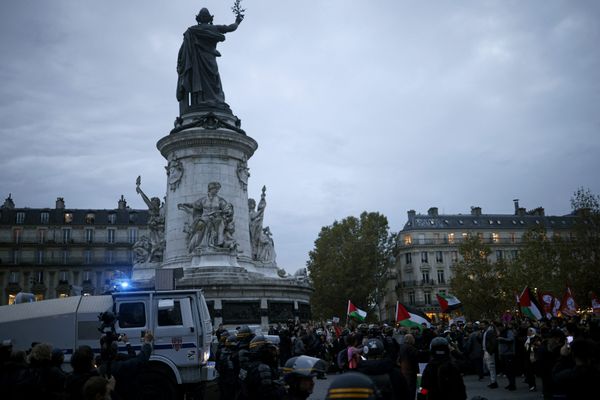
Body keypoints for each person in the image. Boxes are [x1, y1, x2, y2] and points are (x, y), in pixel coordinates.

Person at [176, 7, 243, 113]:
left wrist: (181, 63)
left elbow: (182, 51)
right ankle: (214, 101)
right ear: (209, 18)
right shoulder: (214, 29)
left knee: (198, 81)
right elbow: (230, 28)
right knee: (213, 81)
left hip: (196, 63)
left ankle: (199, 101)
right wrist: (237, 22)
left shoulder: (192, 31)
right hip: (210, 61)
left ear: (198, 19)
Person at [178, 182, 237, 252]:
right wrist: (184, 204)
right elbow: (194, 205)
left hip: (216, 218)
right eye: (215, 189)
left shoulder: (220, 200)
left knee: (220, 223)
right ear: (210, 189)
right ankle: (196, 246)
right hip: (204, 218)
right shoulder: (203, 200)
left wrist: (229, 211)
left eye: (217, 189)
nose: (217, 191)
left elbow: (226, 208)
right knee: (199, 227)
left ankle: (219, 242)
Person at [98, 330, 154, 400]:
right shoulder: (119, 366)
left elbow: (132, 357)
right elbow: (141, 360)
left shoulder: (100, 365)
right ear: (115, 352)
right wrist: (147, 342)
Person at [239, 335, 284, 400]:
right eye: (271, 349)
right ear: (263, 350)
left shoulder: (249, 364)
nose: (274, 353)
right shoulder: (263, 368)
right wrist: (283, 389)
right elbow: (268, 395)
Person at [497, 322, 516, 391]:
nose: (498, 329)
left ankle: (513, 385)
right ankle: (510, 383)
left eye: (499, 327)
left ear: (502, 327)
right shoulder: (501, 333)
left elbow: (511, 339)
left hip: (509, 354)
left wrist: (502, 339)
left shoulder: (508, 332)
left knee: (510, 370)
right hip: (503, 354)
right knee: (507, 371)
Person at [480, 320, 498, 389]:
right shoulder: (485, 331)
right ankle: (492, 381)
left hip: (489, 351)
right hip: (485, 351)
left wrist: (491, 350)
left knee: (491, 367)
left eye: (483, 325)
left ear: (487, 325)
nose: (482, 326)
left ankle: (494, 382)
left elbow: (493, 342)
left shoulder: (490, 331)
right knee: (489, 367)